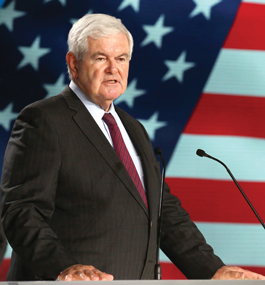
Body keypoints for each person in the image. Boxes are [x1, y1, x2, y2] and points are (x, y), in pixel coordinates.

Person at [0, 13, 264, 281]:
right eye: (100, 58)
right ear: (74, 64)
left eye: (121, 59)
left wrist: (213, 270)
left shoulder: (132, 128)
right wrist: (64, 268)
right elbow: (21, 211)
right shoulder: (44, 120)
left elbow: (164, 213)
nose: (113, 69)